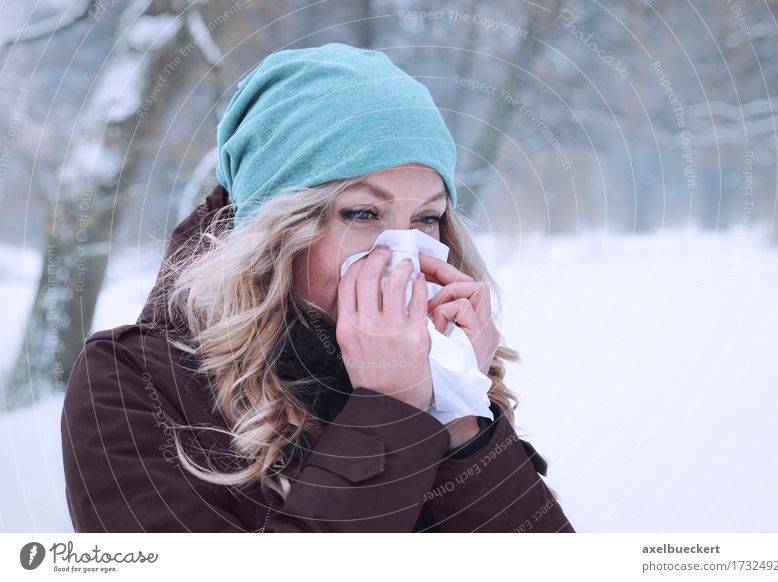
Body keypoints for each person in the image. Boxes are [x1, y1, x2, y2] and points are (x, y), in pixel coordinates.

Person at [61, 42, 574, 533]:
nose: (404, 253)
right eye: (361, 213)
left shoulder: (441, 369)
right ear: (275, 231)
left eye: (428, 218)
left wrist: (457, 413)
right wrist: (389, 410)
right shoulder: (133, 383)